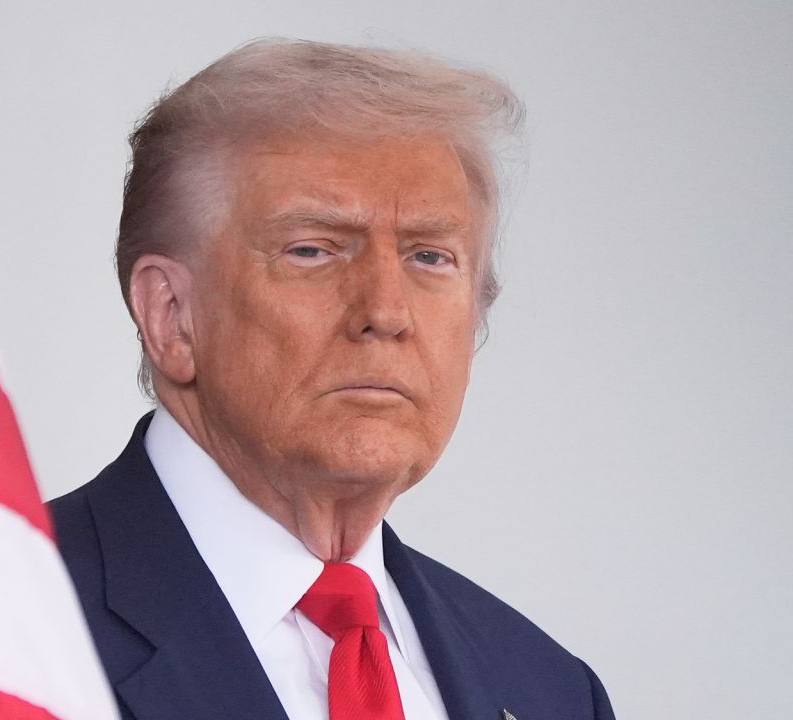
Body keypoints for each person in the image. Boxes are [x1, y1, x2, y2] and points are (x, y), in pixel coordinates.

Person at [49, 39, 616, 720]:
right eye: (313, 250)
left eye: (430, 257)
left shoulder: (550, 689)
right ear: (171, 317)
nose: (385, 310)